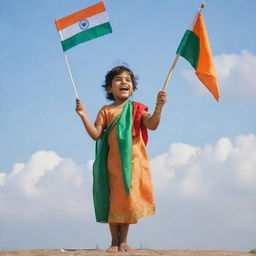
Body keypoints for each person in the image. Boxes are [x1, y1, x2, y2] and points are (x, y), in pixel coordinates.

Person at [75, 65, 167, 253]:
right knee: (114, 200)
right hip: (113, 164)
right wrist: (83, 115)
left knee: (127, 200)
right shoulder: (106, 111)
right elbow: (95, 134)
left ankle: (123, 240)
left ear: (132, 87)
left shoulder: (137, 108)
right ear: (109, 88)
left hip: (134, 163)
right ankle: (113, 242)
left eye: (128, 80)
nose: (124, 82)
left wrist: (159, 107)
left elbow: (152, 125)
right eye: (118, 79)